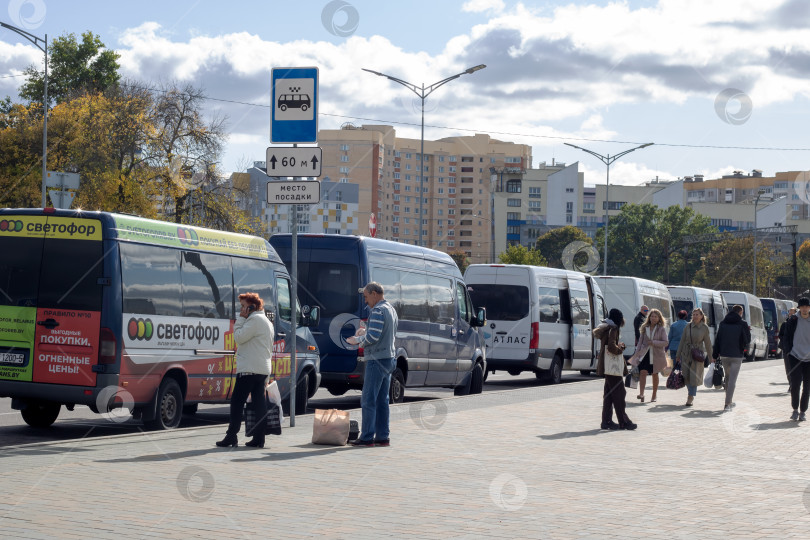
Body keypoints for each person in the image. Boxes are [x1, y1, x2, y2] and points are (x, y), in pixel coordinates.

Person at [216, 292, 274, 448]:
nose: (241, 309)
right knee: (258, 403)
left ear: (252, 307)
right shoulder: (267, 322)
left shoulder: (254, 320)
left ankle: (231, 436)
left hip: (249, 369)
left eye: (243, 306)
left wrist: (241, 319)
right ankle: (259, 438)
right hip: (262, 369)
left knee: (237, 402)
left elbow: (239, 337)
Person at [347, 282, 399, 447]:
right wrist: (366, 331)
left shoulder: (377, 311)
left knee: (368, 399)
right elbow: (381, 332)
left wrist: (358, 340)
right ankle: (383, 436)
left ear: (375, 294)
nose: (365, 301)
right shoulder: (390, 309)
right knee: (383, 400)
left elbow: (373, 337)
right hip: (389, 358)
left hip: (376, 360)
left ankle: (367, 437)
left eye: (366, 297)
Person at [593, 308, 637, 431]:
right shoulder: (614, 329)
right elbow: (612, 347)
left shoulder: (606, 327)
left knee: (609, 395)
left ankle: (606, 421)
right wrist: (621, 348)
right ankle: (624, 421)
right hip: (613, 367)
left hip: (606, 366)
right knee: (619, 394)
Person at [712, 305, 751, 412]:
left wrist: (715, 355)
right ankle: (727, 404)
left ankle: (729, 399)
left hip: (724, 354)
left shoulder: (723, 323)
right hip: (737, 355)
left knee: (728, 378)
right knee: (732, 380)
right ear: (740, 312)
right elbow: (747, 340)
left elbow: (718, 340)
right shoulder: (743, 324)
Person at [780, 297, 810, 421]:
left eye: (806, 307)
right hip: (795, 356)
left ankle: (803, 411)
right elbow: (785, 336)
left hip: (809, 358)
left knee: (807, 386)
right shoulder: (793, 319)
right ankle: (795, 409)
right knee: (795, 384)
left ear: (809, 308)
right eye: (802, 307)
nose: (804, 309)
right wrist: (788, 351)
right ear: (799, 308)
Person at [676, 308, 713, 407]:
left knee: (694, 376)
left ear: (701, 316)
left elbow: (708, 344)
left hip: (697, 355)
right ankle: (690, 393)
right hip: (686, 353)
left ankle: (690, 397)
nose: (695, 316)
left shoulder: (704, 328)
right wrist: (678, 355)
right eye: (694, 314)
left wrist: (710, 357)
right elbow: (682, 341)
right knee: (686, 375)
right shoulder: (688, 326)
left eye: (697, 314)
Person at [631, 308, 668, 403]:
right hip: (645, 354)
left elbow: (665, 342)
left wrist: (653, 342)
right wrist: (637, 353)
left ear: (659, 318)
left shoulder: (661, 329)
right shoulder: (644, 327)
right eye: (652, 316)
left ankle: (654, 395)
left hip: (656, 354)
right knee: (642, 372)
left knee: (654, 374)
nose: (654, 318)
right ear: (649, 317)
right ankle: (641, 393)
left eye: (656, 316)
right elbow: (640, 341)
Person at [779, 307, 797, 390]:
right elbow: (781, 335)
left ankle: (795, 383)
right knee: (788, 367)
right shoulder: (785, 323)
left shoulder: (799, 324)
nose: (791, 314)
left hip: (797, 349)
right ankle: (791, 384)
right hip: (786, 349)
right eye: (790, 312)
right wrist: (785, 343)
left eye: (792, 312)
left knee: (795, 367)